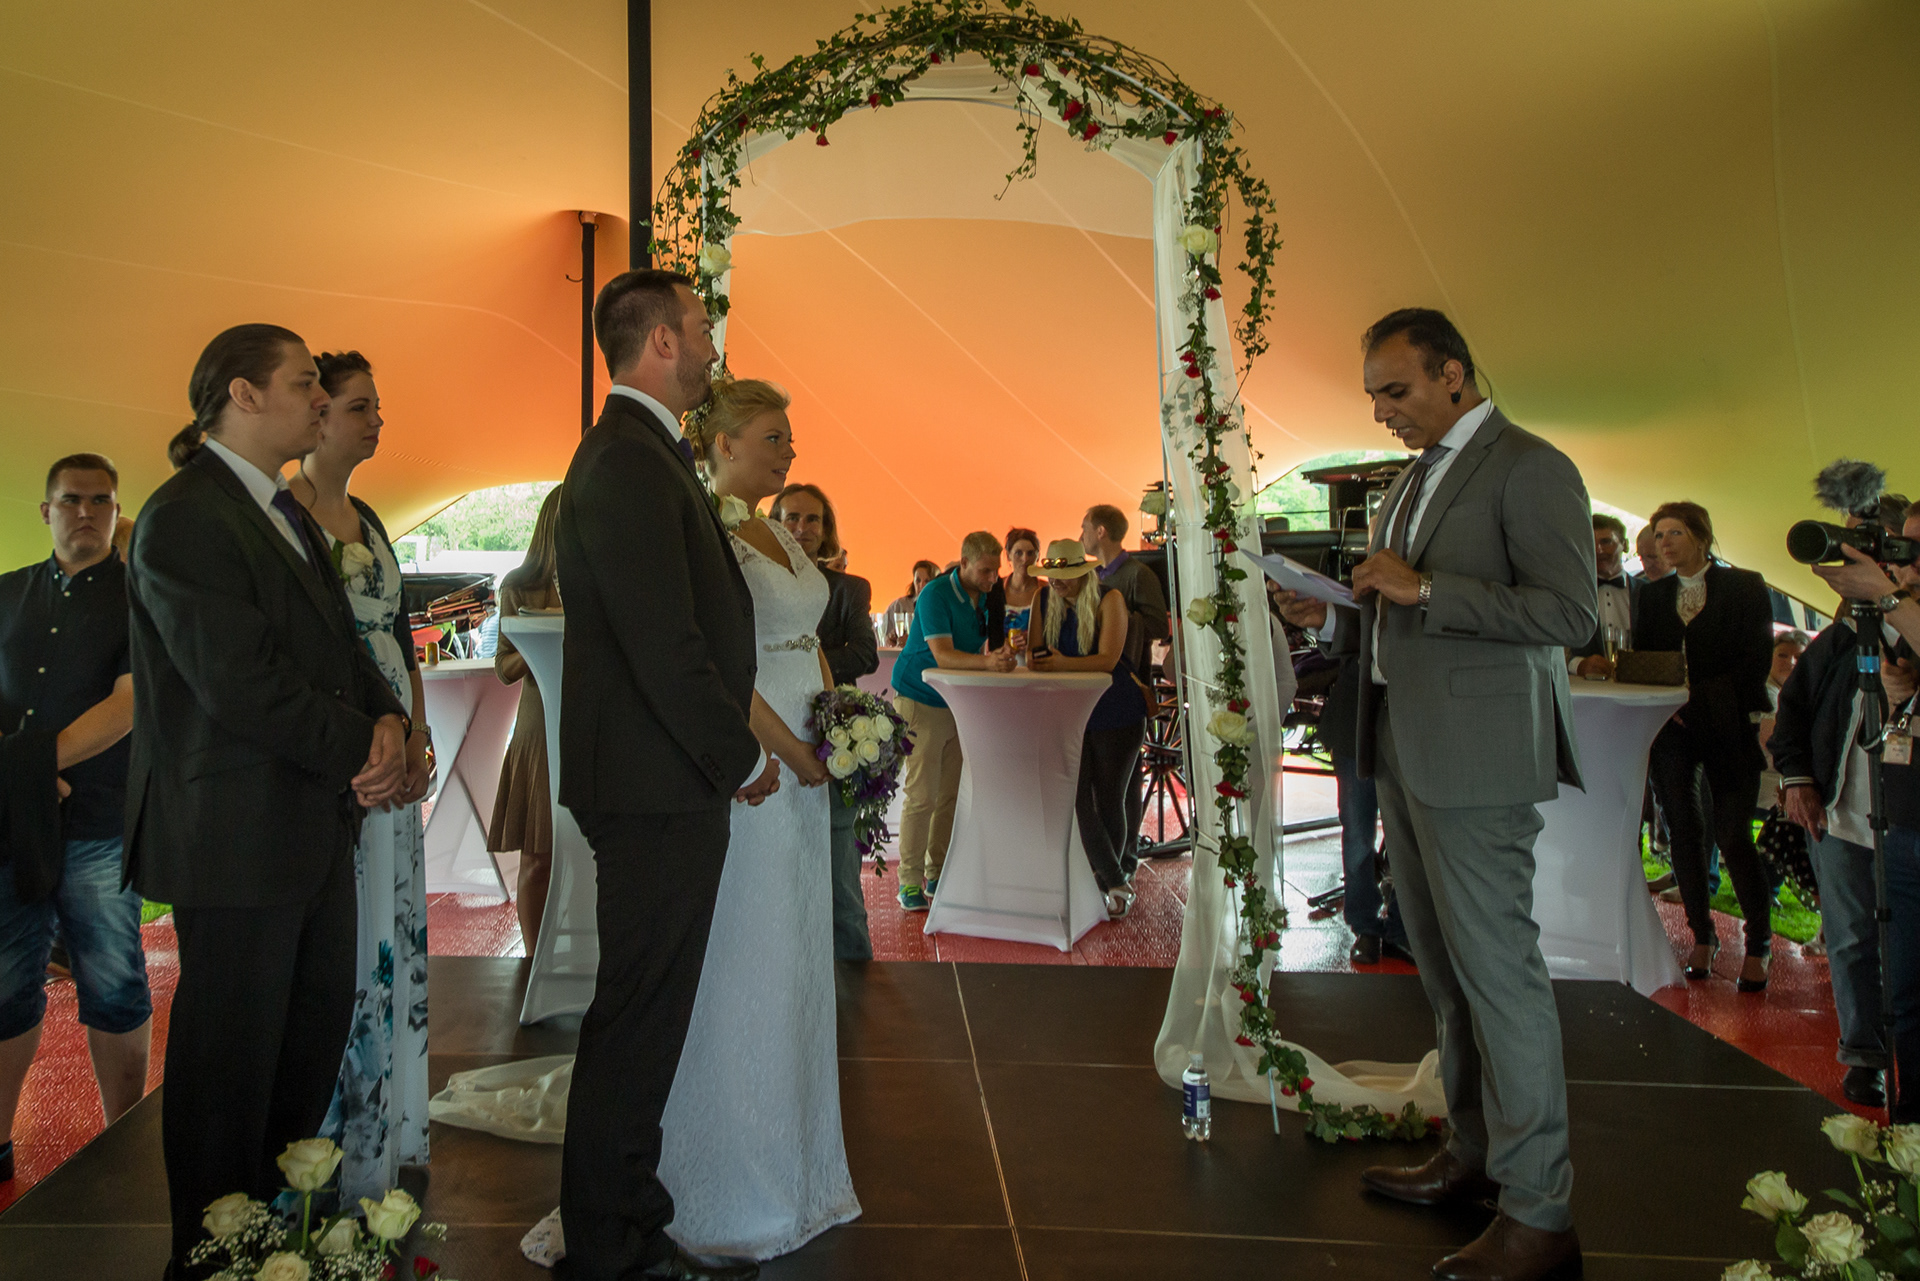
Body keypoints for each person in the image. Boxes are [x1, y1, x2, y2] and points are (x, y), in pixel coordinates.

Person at [1272, 308, 1596, 1280]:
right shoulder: (1413, 478)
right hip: (1402, 747)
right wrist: (1333, 613)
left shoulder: (1530, 466)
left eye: (1397, 390)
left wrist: (1426, 591)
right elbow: (1398, 608)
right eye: (1373, 395)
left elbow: (1570, 613)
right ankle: (1476, 1153)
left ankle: (1541, 1211)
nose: (1382, 411)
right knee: (1447, 975)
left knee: (1500, 976)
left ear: (1454, 373)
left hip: (1479, 761)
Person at [133, 325, 409, 1275]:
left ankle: (270, 1243)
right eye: (302, 385)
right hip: (236, 836)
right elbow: (240, 681)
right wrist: (362, 745)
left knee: (302, 1052)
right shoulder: (185, 516)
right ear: (242, 396)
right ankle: (210, 1257)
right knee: (230, 1071)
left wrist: (388, 718)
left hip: (309, 822)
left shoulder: (280, 509)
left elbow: (339, 644)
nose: (319, 400)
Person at [551, 269, 771, 1281]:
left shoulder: (643, 451)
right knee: (637, 1017)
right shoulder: (626, 460)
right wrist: (739, 754)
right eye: (701, 325)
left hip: (658, 778)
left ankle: (630, 1221)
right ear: (662, 343)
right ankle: (609, 1244)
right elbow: (663, 642)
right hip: (653, 784)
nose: (713, 344)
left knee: (647, 1015)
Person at [648, 379, 860, 1257]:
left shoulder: (780, 532)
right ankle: (732, 1171)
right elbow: (718, 667)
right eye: (774, 437)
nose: (789, 451)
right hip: (761, 753)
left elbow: (808, 639)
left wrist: (845, 723)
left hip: (808, 742)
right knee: (751, 941)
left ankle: (799, 1154)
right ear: (724, 443)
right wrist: (789, 751)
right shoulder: (709, 533)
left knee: (800, 945)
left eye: (790, 438)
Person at [291, 350, 436, 1205]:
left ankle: (390, 1126)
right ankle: (330, 1140)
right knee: (343, 939)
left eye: (378, 405)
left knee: (392, 915)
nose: (376, 419)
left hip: (392, 739)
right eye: (359, 406)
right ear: (318, 414)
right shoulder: (289, 516)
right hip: (338, 751)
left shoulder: (369, 516)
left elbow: (403, 635)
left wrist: (417, 733)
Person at [0, 455, 149, 1188]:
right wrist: (21, 776)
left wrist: (30, 766)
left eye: (100, 501)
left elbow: (130, 704)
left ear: (118, 511)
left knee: (113, 980)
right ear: (46, 510)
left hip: (98, 819)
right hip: (9, 824)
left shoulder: (139, 598)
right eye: (71, 500)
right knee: (5, 982)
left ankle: (125, 1136)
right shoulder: (5, 593)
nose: (86, 512)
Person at [1778, 500, 1920, 1113]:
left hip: (1906, 817)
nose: (1903, 564)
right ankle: (1865, 1057)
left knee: (1905, 955)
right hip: (1842, 811)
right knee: (1853, 938)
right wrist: (1797, 780)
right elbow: (1793, 708)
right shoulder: (1844, 635)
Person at [1634, 501, 1778, 991]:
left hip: (1729, 723)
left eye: (1674, 532)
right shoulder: (1653, 595)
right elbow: (1648, 657)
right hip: (1673, 725)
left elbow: (1756, 659)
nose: (1664, 543)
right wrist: (1668, 702)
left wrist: (1702, 699)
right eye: (1659, 535)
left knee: (1733, 834)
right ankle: (1701, 934)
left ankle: (1759, 940)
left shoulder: (1745, 586)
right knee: (1683, 829)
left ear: (1700, 535)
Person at [772, 481, 880, 961]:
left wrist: (798, 660)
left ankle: (855, 972)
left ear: (827, 529)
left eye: (812, 519)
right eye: (791, 517)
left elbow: (865, 654)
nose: (801, 527)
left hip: (833, 732)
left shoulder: (849, 589)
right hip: (771, 728)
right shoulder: (753, 585)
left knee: (840, 869)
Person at [889, 533, 1014, 911]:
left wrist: (1006, 653)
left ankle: (937, 871)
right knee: (922, 795)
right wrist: (989, 663)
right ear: (964, 563)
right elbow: (943, 655)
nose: (992, 578)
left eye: (996, 571)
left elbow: (988, 644)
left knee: (948, 796)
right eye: (985, 570)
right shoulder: (935, 594)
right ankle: (909, 881)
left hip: (960, 702)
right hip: (920, 697)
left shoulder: (990, 595)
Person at [1026, 539, 1150, 919]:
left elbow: (1108, 659)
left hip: (1116, 709)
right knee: (1078, 798)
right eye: (1051, 575)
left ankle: (1108, 881)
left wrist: (1059, 664)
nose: (1055, 581)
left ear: (1083, 573)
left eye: (1064, 575)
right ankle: (1114, 881)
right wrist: (1041, 661)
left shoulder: (1109, 599)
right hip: (1067, 711)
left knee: (1109, 798)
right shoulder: (1042, 599)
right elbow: (1033, 653)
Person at [488, 486, 564, 954]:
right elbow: (503, 668)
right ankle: (532, 959)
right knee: (538, 856)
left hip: (593, 722)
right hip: (539, 726)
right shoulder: (519, 587)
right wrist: (540, 632)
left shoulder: (605, 580)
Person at [1081, 504, 1170, 876]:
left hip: (1128, 682)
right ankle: (1103, 859)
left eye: (1085, 528)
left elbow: (1159, 626)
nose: (1081, 535)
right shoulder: (1090, 576)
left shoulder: (1138, 575)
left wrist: (1117, 618)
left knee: (1126, 780)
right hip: (1094, 689)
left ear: (1101, 531)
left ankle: (1126, 859)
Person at [1317, 652, 1412, 966]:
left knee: (1407, 833)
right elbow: (1331, 643)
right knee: (1358, 830)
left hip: (1408, 716)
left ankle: (1401, 927)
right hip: (1354, 715)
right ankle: (1365, 927)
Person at [1568, 513, 1639, 678]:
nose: (1598, 550)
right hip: (1588, 687)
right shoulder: (1573, 592)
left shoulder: (1647, 592)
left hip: (1638, 684)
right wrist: (1578, 665)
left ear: (1625, 545)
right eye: (1590, 543)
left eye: (1606, 542)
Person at [881, 560, 938, 646]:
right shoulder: (900, 605)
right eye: (918, 581)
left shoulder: (940, 607)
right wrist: (890, 640)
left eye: (927, 581)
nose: (921, 585)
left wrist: (912, 641)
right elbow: (883, 637)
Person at [1002, 527, 1042, 638]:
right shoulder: (995, 588)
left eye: (1030, 553)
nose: (1025, 559)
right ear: (1008, 555)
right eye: (1018, 553)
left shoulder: (1046, 590)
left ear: (1038, 556)